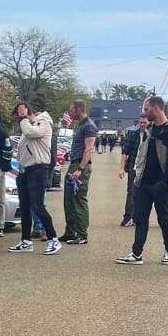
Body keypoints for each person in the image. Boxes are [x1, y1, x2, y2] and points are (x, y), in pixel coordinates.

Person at [116, 96, 168, 265]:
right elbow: (143, 152)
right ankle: (136, 253)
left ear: (156, 108)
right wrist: (137, 174)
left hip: (161, 183)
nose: (144, 113)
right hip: (144, 182)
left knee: (164, 218)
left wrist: (165, 183)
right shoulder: (151, 129)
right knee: (140, 217)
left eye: (146, 110)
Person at [7, 103, 61, 254]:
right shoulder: (28, 125)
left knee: (37, 206)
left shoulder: (43, 123)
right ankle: (26, 241)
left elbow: (31, 133)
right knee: (25, 207)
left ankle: (53, 239)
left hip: (38, 169)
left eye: (21, 113)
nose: (20, 117)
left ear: (28, 111)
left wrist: (24, 118)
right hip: (25, 170)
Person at [62, 99, 97, 245]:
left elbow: (89, 149)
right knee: (69, 200)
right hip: (74, 164)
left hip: (80, 166)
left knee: (79, 200)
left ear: (78, 110)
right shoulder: (81, 125)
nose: (70, 112)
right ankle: (70, 232)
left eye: (71, 110)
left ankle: (82, 235)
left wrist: (80, 169)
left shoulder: (89, 126)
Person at [119, 114, 150, 226]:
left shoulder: (151, 136)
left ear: (148, 123)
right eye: (140, 122)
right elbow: (125, 153)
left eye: (144, 123)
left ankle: (138, 218)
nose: (142, 125)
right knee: (131, 192)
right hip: (133, 167)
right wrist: (121, 168)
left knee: (142, 195)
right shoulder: (132, 135)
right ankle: (128, 217)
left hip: (146, 170)